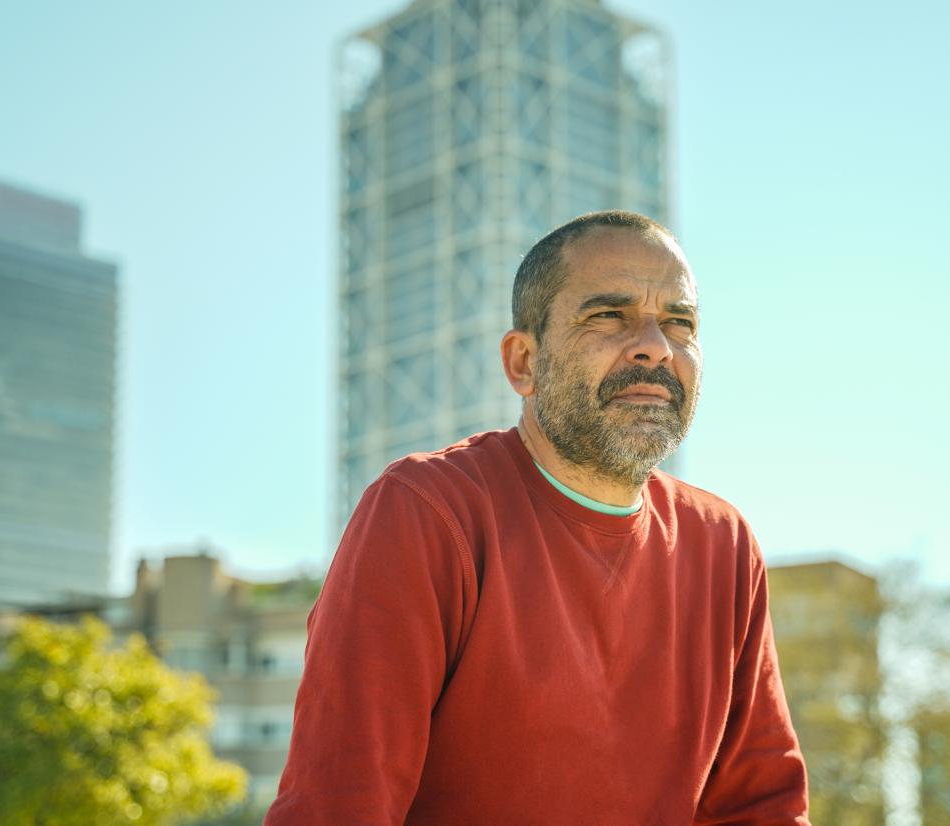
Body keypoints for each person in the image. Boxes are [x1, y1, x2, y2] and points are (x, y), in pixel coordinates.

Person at [264, 211, 810, 824]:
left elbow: (761, 809)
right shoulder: (427, 511)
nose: (655, 346)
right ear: (523, 361)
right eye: (609, 315)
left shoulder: (725, 545)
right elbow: (339, 804)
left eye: (679, 323)